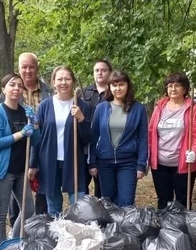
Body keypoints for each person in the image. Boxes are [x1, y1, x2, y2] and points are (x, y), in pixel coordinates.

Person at [29, 66, 91, 216]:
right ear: (53, 83)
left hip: (74, 161)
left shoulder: (82, 106)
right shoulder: (45, 106)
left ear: (73, 81)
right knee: (53, 207)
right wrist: (33, 164)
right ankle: (56, 236)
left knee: (79, 206)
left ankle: (77, 236)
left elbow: (88, 138)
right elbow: (38, 138)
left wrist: (82, 119)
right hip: (50, 161)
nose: (63, 82)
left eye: (67, 79)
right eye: (60, 79)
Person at [0, 73, 41, 243]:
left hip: (20, 169)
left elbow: (36, 141)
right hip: (2, 170)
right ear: (4, 89)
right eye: (12, 85)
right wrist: (20, 134)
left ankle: (13, 240)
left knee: (28, 210)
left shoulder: (25, 112)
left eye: (19, 85)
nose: (16, 88)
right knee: (1, 213)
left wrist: (35, 124)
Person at [0, 52, 52, 219]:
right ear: (19, 68)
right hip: (18, 147)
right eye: (24, 67)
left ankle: (40, 222)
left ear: (37, 68)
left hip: (43, 145)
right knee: (17, 189)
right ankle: (16, 224)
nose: (28, 70)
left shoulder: (48, 91)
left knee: (42, 189)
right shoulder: (10, 90)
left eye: (31, 67)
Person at [148, 73, 196, 209]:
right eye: (170, 86)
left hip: (184, 164)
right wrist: (149, 156)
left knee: (182, 202)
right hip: (160, 164)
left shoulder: (193, 108)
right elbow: (151, 133)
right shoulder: (159, 107)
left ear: (185, 89)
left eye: (177, 86)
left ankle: (181, 229)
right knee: (163, 201)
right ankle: (165, 229)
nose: (173, 89)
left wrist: (195, 151)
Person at [89, 70, 147, 207]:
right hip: (105, 163)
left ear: (128, 86)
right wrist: (92, 162)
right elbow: (93, 136)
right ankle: (111, 228)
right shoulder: (101, 108)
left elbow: (143, 138)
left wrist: (141, 164)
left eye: (121, 84)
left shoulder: (138, 109)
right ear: (109, 87)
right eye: (114, 85)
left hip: (128, 163)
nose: (118, 88)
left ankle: (124, 228)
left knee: (126, 202)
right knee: (108, 203)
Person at [81, 59, 112, 197]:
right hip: (84, 144)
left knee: (101, 184)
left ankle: (102, 214)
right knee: (82, 184)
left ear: (109, 73)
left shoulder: (114, 94)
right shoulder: (82, 93)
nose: (100, 73)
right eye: (97, 70)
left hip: (103, 145)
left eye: (103, 70)